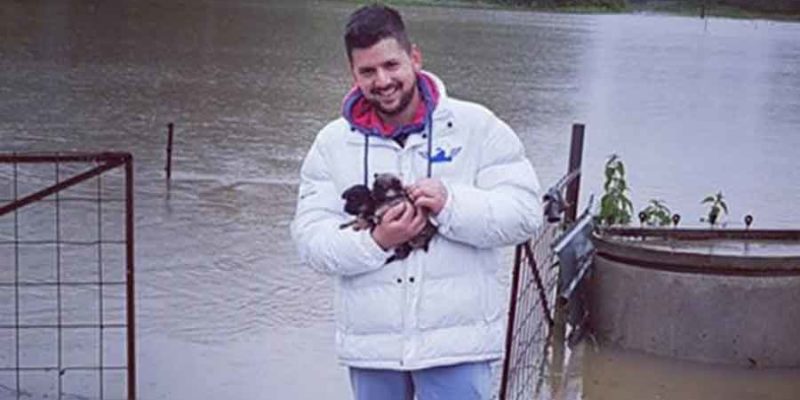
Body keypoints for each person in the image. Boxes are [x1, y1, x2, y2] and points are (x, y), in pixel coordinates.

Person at [291, 4, 542, 400]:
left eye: (391, 65)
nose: (382, 81)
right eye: (367, 71)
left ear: (415, 57)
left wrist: (450, 204)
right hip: (372, 353)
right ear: (353, 73)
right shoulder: (331, 143)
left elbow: (526, 215)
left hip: (459, 349)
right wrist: (377, 242)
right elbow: (310, 242)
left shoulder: (477, 126)